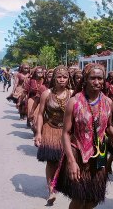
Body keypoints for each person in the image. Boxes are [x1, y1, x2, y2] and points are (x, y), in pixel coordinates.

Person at [52, 63, 113, 209]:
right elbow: (65, 133)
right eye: (92, 78)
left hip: (100, 155)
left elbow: (107, 127)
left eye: (100, 78)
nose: (97, 82)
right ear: (85, 80)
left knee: (93, 199)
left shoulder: (108, 102)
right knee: (78, 199)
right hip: (78, 154)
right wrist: (70, 161)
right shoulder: (74, 102)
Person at [34, 66, 71, 205]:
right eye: (59, 77)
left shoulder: (73, 94)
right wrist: (38, 133)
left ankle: (62, 183)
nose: (62, 79)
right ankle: (51, 190)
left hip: (67, 132)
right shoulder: (47, 94)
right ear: (54, 78)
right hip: (50, 129)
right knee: (51, 161)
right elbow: (40, 114)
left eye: (65, 77)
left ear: (69, 79)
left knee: (66, 161)